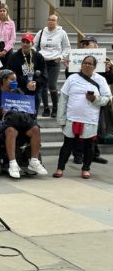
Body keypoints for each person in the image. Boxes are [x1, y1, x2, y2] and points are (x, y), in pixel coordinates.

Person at [0, 70, 48, 179]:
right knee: (11, 131)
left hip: (18, 121)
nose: (15, 82)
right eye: (12, 79)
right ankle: (12, 163)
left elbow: (25, 106)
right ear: (4, 80)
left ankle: (34, 161)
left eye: (15, 79)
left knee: (35, 129)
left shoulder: (18, 92)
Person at [53, 56, 112, 179]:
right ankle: (60, 168)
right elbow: (63, 99)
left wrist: (95, 99)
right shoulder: (72, 78)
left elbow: (107, 99)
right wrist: (61, 118)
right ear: (81, 65)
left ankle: (86, 169)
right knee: (67, 144)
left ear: (95, 67)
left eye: (90, 64)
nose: (87, 65)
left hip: (90, 119)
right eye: (85, 63)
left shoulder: (100, 80)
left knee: (89, 145)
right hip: (72, 118)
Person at [65, 36, 110, 165]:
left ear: (95, 46)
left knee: (94, 130)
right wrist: (68, 68)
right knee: (79, 129)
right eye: (82, 44)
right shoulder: (78, 59)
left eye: (87, 44)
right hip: (81, 101)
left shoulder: (104, 60)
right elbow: (70, 79)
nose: (84, 46)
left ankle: (94, 154)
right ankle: (78, 155)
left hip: (97, 101)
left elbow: (110, 80)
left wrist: (108, 71)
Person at [34, 14, 71, 117]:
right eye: (49, 20)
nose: (51, 22)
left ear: (57, 22)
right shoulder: (41, 32)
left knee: (52, 85)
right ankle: (46, 108)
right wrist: (36, 55)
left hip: (54, 62)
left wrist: (61, 57)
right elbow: (34, 45)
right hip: (42, 61)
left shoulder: (62, 33)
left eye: (53, 20)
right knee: (43, 86)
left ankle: (55, 108)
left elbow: (67, 47)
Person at [8, 33, 47, 117]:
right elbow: (12, 75)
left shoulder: (38, 57)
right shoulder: (14, 57)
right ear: (21, 43)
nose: (25, 44)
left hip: (35, 90)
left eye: (28, 42)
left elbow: (44, 74)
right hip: (20, 90)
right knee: (20, 116)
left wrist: (35, 82)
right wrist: (26, 82)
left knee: (33, 115)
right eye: (23, 41)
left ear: (32, 44)